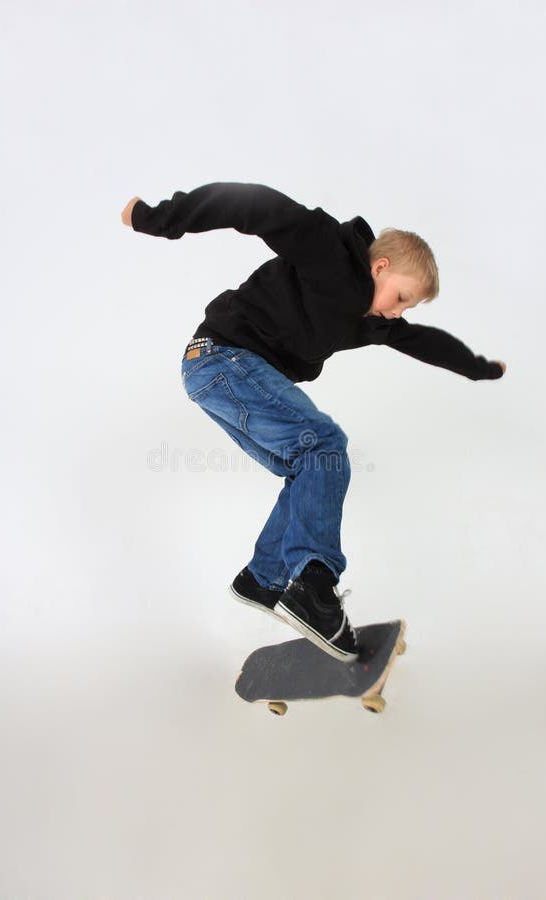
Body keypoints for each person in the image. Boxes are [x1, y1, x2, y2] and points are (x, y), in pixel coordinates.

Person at [121, 182, 506, 663]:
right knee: (324, 445)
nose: (397, 311)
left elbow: (421, 342)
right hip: (224, 357)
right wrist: (159, 218)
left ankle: (264, 579)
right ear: (380, 266)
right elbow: (254, 206)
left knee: (308, 466)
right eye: (401, 296)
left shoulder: (372, 320)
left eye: (407, 308)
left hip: (219, 374)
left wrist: (476, 367)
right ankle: (313, 587)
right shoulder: (327, 248)